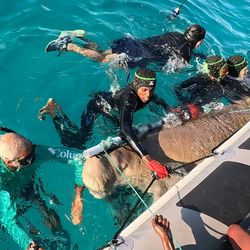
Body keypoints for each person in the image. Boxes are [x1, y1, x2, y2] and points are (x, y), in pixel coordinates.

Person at [38, 68, 171, 179]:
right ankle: (54, 112)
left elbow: (156, 99)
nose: (148, 95)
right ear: (137, 87)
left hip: (112, 106)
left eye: (151, 90)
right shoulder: (129, 99)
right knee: (78, 141)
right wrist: (147, 158)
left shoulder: (145, 93)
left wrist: (171, 110)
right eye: (145, 90)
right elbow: (125, 129)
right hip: (98, 106)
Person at [0, 127, 74, 250]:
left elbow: (71, 155)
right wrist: (29, 245)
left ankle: (60, 234)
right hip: (5, 190)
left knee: (42, 205)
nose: (33, 159)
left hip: (25, 182)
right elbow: (8, 220)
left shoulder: (25, 150)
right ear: (8, 162)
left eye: (32, 151)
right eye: (26, 160)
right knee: (9, 217)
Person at [44, 24, 206, 69]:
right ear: (198, 42)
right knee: (101, 60)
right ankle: (69, 46)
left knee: (101, 51)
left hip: (133, 41)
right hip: (138, 53)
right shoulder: (186, 53)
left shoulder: (176, 33)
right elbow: (174, 69)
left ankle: (81, 37)